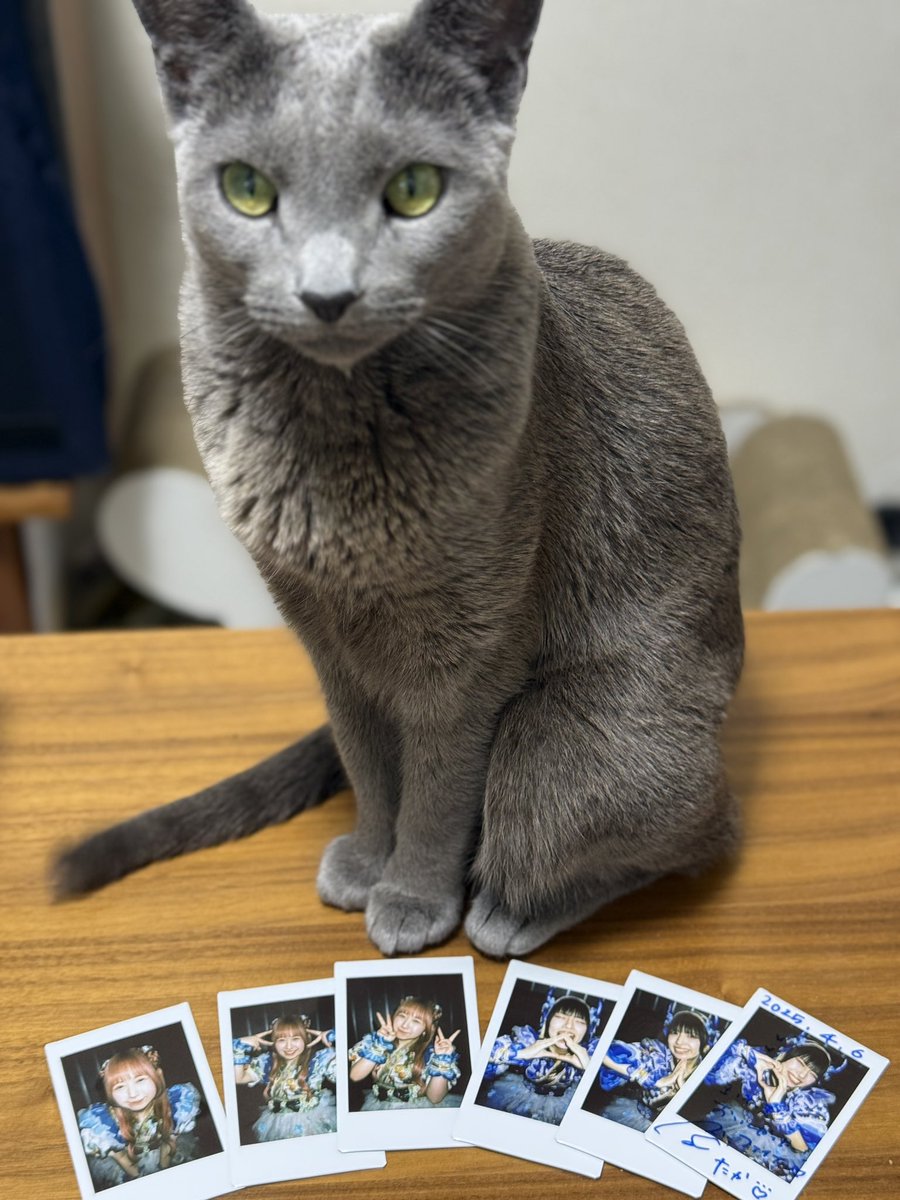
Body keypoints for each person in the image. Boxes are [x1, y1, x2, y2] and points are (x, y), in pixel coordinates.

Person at [694, 1036, 839, 1179]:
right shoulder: (750, 1069)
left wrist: (777, 1107)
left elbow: (803, 1158)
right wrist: (746, 1053)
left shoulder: (808, 1105)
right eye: (801, 1063)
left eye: (812, 1074)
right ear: (785, 1055)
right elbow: (702, 1067)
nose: (802, 1075)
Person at [77, 1045, 200, 1189]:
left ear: (157, 1077)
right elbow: (123, 1160)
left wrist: (164, 1174)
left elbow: (169, 1147)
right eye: (120, 1087)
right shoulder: (103, 1124)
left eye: (140, 1080)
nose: (133, 1093)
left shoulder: (177, 1107)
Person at [481, 991, 604, 1124]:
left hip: (561, 1107)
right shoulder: (528, 1041)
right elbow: (484, 1062)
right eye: (561, 1016)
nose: (569, 1025)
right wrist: (521, 1054)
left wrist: (590, 1068)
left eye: (579, 1021)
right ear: (547, 1020)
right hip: (517, 1097)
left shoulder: (591, 1054)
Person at [596, 1004, 718, 1131]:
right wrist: (649, 1078)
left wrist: (684, 1093)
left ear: (706, 1044)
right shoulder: (658, 1055)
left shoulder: (713, 1076)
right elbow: (602, 1050)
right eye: (675, 1032)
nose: (679, 1042)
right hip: (634, 1120)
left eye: (691, 1036)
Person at [233, 1014, 336, 1141]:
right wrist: (239, 1047)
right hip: (278, 1123)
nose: (288, 1046)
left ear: (305, 1038)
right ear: (274, 1042)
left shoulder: (317, 1060)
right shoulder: (267, 1062)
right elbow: (239, 1078)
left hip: (311, 1121)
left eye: (295, 1038)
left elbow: (341, 1074)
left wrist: (337, 1036)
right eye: (281, 1040)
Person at [348, 996, 462, 1110]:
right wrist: (380, 1045)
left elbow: (435, 1098)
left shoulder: (430, 1053)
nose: (405, 1025)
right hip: (377, 1106)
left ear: (426, 1029)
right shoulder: (376, 1041)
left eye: (416, 1021)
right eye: (402, 1015)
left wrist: (442, 1060)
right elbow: (355, 1076)